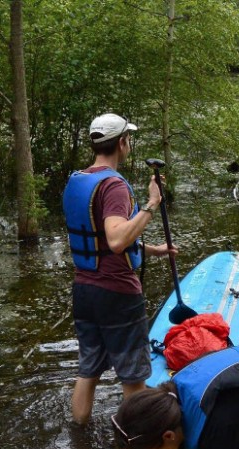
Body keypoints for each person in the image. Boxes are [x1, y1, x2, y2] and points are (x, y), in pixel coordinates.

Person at [63, 113, 177, 425]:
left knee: (88, 370)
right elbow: (115, 239)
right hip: (117, 293)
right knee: (133, 377)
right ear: (123, 143)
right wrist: (152, 204)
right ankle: (136, 444)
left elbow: (99, 241)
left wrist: (155, 251)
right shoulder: (113, 186)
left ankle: (79, 438)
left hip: (84, 290)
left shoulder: (79, 180)